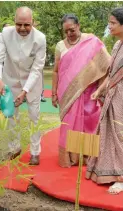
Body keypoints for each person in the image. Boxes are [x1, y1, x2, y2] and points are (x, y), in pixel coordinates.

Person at [52, 14, 111, 168]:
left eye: (72, 30)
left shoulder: (92, 41)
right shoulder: (60, 46)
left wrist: (100, 88)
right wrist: (53, 92)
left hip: (89, 92)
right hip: (67, 93)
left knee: (88, 123)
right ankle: (70, 158)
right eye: (66, 32)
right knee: (69, 124)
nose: (69, 34)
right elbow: (56, 71)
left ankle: (87, 157)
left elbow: (105, 64)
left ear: (78, 26)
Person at [0, 6, 46, 165]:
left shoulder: (40, 38)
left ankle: (35, 152)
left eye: (27, 25)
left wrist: (25, 90)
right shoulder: (6, 34)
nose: (22, 28)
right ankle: (14, 148)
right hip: (10, 81)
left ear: (33, 22)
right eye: (19, 24)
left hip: (33, 84)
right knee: (11, 117)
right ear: (14, 22)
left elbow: (37, 68)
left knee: (34, 118)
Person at [86, 7, 123, 195]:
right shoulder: (117, 46)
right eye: (109, 22)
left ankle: (121, 178)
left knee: (120, 135)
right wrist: (99, 90)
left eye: (113, 23)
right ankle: (110, 171)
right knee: (109, 133)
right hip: (112, 94)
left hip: (122, 96)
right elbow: (111, 74)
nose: (109, 26)